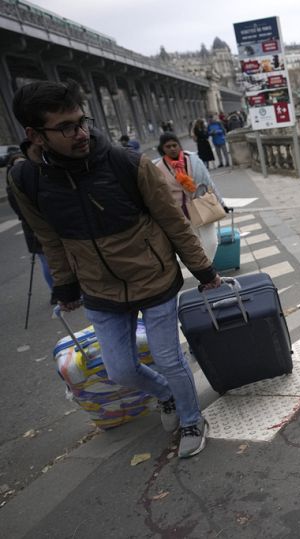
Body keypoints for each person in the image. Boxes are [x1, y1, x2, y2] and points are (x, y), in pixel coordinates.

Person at [9, 80, 221, 458]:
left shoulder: (127, 163)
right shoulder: (27, 179)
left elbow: (174, 221)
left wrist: (204, 271)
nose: (81, 134)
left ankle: (191, 418)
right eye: (66, 127)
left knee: (169, 357)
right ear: (34, 134)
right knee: (119, 369)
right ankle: (166, 395)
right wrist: (65, 286)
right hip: (99, 289)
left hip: (153, 276)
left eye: (82, 121)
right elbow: (50, 240)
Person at [154, 132, 226, 260]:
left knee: (212, 242)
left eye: (174, 145)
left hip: (202, 205)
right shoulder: (158, 168)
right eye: (168, 146)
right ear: (162, 148)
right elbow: (159, 194)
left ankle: (207, 269)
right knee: (195, 244)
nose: (172, 149)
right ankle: (207, 275)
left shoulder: (192, 159)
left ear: (179, 145)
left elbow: (208, 182)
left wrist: (221, 202)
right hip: (180, 212)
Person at [4, 144, 55, 303]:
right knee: (46, 261)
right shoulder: (19, 187)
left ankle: (57, 291)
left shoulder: (23, 184)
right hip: (33, 229)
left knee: (48, 260)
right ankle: (56, 291)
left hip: (35, 227)